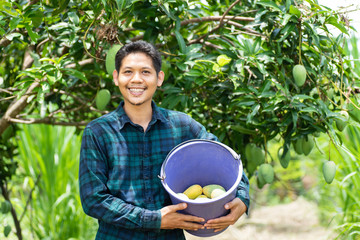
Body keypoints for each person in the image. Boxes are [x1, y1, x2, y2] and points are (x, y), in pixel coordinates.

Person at [79, 40, 250, 240]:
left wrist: (242, 198)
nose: (136, 79)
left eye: (145, 72)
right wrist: (155, 219)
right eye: (128, 72)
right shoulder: (98, 132)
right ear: (116, 77)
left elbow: (225, 158)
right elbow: (93, 199)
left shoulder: (181, 126)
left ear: (159, 78)